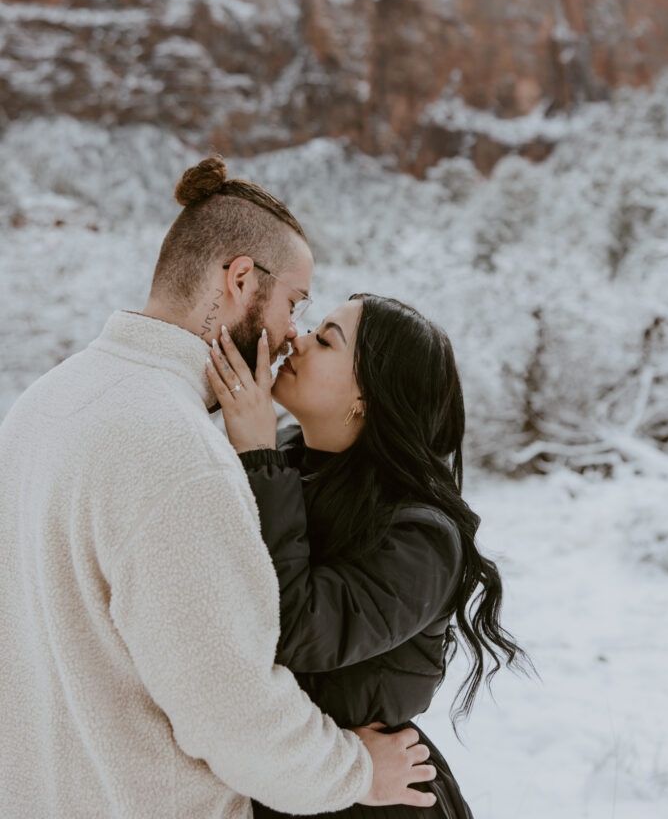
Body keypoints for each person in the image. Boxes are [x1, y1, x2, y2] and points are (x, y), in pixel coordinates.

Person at [0, 157, 438, 818]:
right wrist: (354, 771)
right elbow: (232, 712)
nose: (292, 333)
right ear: (239, 279)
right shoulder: (179, 453)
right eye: (295, 304)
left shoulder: (43, 400)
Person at [207, 293, 530, 819]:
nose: (298, 338)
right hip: (284, 781)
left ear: (366, 398)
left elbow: (288, 629)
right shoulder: (290, 466)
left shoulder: (422, 537)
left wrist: (257, 457)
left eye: (326, 339)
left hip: (375, 799)